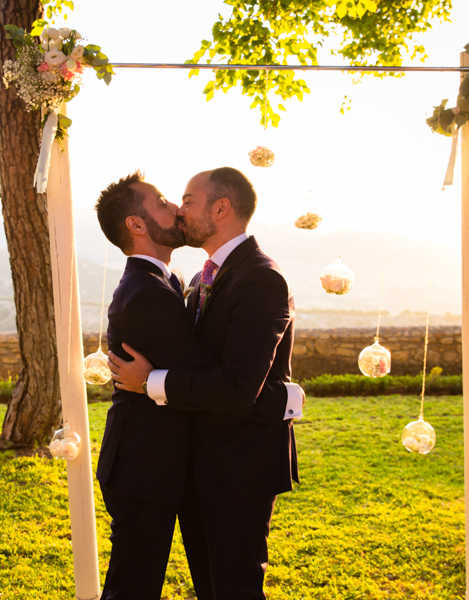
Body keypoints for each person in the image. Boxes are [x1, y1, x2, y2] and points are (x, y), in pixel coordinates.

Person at [94, 171, 302, 600]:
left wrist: (150, 380)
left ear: (221, 209)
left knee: (233, 588)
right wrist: (285, 399)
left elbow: (233, 385)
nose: (178, 209)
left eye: (186, 200)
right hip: (172, 468)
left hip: (237, 467)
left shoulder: (257, 277)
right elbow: (216, 375)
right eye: (169, 201)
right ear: (136, 224)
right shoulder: (179, 283)